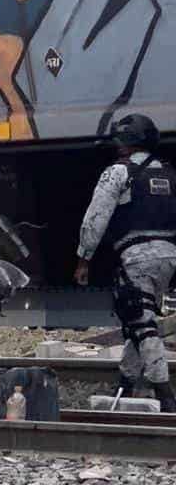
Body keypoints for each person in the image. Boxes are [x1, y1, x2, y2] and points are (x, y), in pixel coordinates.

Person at [74, 113, 176, 412]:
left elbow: (95, 219)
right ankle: (125, 383)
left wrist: (83, 259)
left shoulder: (118, 172)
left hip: (137, 257)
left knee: (143, 324)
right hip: (168, 257)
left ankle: (165, 394)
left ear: (127, 143)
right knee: (138, 319)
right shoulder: (169, 173)